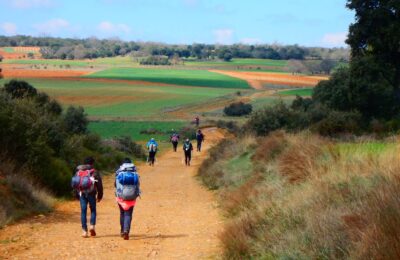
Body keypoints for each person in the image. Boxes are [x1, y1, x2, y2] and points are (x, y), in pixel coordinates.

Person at [72, 157, 103, 238]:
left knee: (83, 211)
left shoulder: (79, 171)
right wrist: (100, 195)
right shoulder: (94, 172)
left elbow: (76, 184)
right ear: (92, 163)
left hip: (82, 193)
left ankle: (84, 231)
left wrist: (76, 195)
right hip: (91, 193)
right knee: (93, 210)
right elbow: (99, 185)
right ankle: (92, 225)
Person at [115, 158, 140, 240]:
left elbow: (115, 185)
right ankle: (126, 230)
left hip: (120, 196)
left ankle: (122, 231)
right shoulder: (135, 173)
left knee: (122, 213)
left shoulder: (119, 173)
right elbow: (138, 185)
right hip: (132, 197)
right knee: (128, 214)